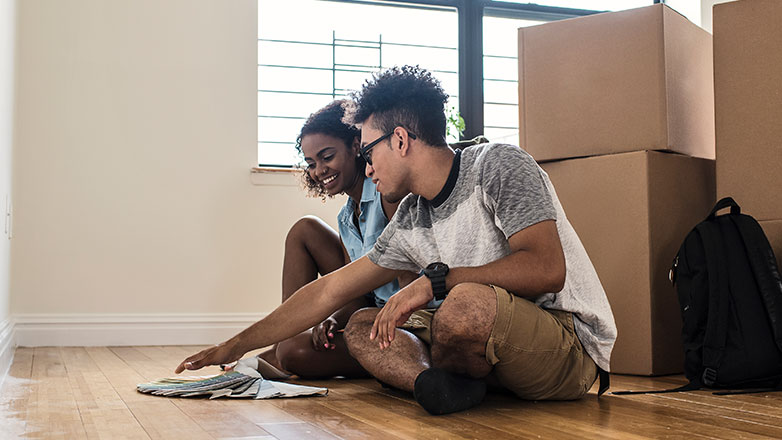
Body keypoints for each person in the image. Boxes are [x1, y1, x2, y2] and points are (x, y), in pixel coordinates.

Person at [177, 65, 617, 416]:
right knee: (364, 324)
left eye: (368, 152)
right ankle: (436, 388)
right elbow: (329, 290)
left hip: (565, 343)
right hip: (475, 343)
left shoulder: (498, 165)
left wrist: (434, 283)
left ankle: (457, 377)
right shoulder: (410, 215)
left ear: (401, 140)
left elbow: (546, 268)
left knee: (462, 303)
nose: (366, 168)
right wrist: (235, 345)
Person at [251, 99, 403, 379]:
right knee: (304, 230)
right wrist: (333, 318)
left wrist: (340, 319)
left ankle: (283, 351)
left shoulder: (387, 194)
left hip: (397, 323)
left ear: (355, 146)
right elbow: (357, 292)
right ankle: (283, 339)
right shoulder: (347, 218)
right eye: (311, 163)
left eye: (327, 156)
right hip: (369, 310)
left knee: (294, 353)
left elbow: (395, 280)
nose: (319, 170)